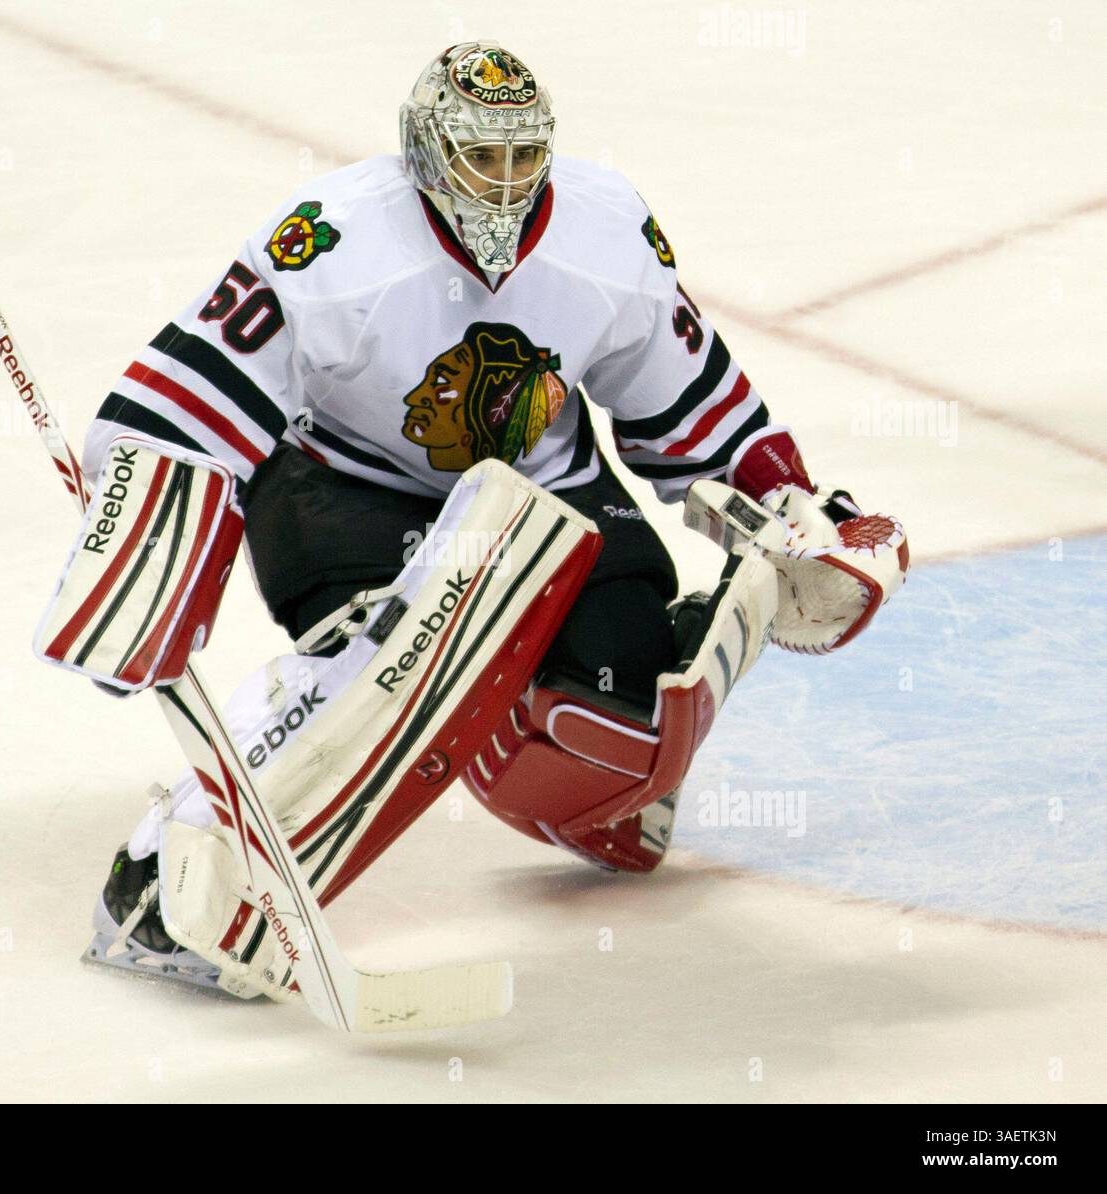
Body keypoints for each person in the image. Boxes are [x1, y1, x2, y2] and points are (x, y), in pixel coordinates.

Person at [77, 41, 906, 998]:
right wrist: (133, 540)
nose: (505, 181)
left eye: (522, 156)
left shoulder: (607, 232)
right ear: (428, 152)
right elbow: (195, 396)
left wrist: (788, 505)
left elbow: (687, 393)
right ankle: (155, 884)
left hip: (543, 488)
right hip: (346, 486)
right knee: (377, 674)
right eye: (482, 155)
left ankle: (577, 780)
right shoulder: (334, 244)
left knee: (632, 715)